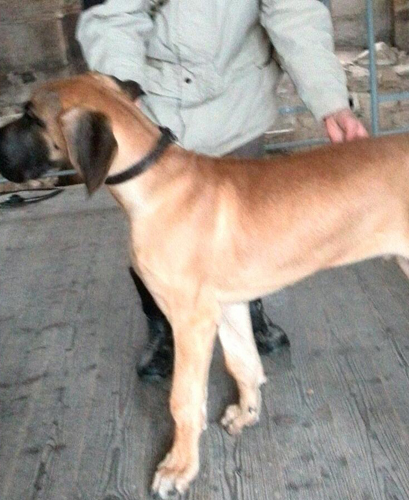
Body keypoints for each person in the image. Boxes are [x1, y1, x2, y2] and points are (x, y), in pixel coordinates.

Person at [77, 0, 368, 382]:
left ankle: (248, 305)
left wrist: (332, 103)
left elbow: (294, 10)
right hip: (154, 108)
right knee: (160, 240)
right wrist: (122, 102)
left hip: (238, 97)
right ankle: (164, 322)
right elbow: (114, 16)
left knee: (246, 227)